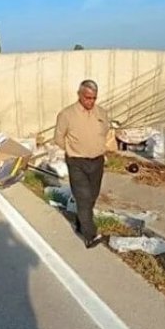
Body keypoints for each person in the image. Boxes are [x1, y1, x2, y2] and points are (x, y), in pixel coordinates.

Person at [53, 80, 111, 248]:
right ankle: (90, 235)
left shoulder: (101, 113)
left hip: (97, 161)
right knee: (83, 197)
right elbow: (58, 138)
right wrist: (71, 150)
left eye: (94, 98)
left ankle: (81, 222)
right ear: (79, 94)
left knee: (92, 196)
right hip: (76, 162)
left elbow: (104, 132)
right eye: (87, 97)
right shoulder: (67, 114)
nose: (90, 101)